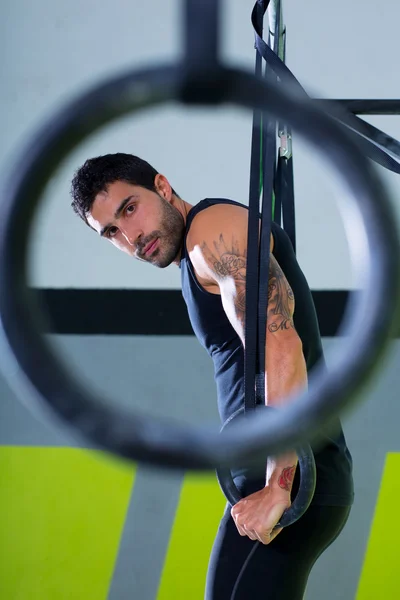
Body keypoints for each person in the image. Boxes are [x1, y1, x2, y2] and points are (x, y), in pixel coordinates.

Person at [70, 152, 354, 599]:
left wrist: (279, 486)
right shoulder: (196, 251)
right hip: (287, 476)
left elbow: (281, 344)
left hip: (289, 480)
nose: (129, 235)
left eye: (129, 208)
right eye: (110, 231)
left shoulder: (209, 234)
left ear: (162, 186)